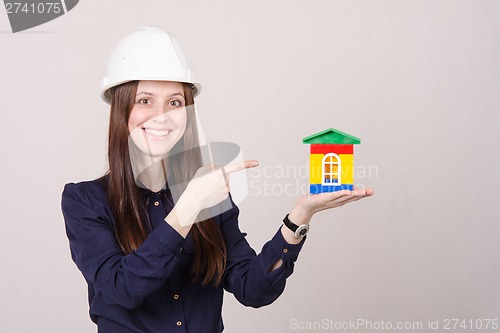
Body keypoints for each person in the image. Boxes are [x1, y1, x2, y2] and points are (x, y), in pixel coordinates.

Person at [61, 26, 373, 333]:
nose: (162, 115)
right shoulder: (85, 201)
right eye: (145, 101)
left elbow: (253, 288)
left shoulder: (210, 193)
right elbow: (118, 289)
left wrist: (300, 217)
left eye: (175, 102)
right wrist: (189, 207)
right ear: (120, 109)